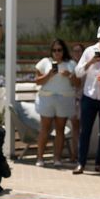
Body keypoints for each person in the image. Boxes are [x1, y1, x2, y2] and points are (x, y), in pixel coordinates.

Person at [73, 24, 100, 174]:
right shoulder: (89, 51)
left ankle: (99, 163)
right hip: (89, 96)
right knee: (85, 131)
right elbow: (78, 72)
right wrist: (90, 62)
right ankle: (81, 163)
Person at [33, 38, 79, 167]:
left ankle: (57, 159)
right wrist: (49, 75)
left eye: (59, 50)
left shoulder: (71, 64)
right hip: (47, 98)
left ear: (64, 50)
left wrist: (70, 75)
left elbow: (78, 83)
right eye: (54, 50)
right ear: (51, 51)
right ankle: (40, 158)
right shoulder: (44, 62)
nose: (57, 53)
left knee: (60, 129)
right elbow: (37, 81)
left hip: (64, 98)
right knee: (45, 128)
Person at [68, 42, 85, 163]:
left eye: (79, 51)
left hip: (85, 99)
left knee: (83, 129)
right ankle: (75, 154)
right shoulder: (71, 66)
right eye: (75, 51)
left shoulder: (86, 66)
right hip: (74, 99)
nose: (77, 53)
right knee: (75, 128)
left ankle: (81, 154)